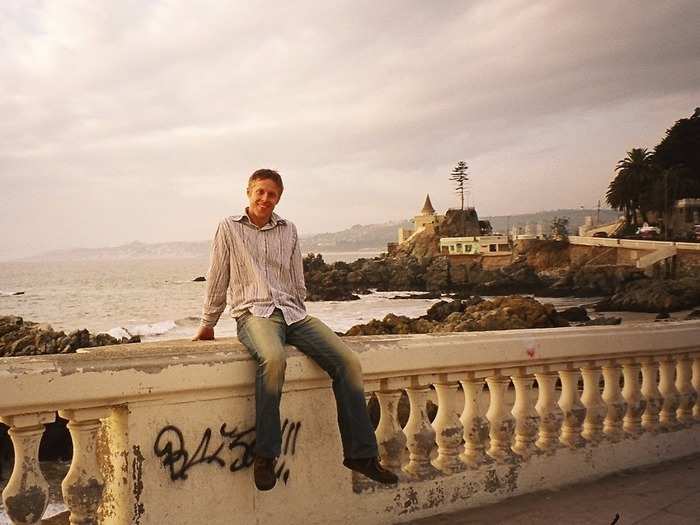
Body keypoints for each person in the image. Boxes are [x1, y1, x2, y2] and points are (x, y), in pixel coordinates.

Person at [193, 169, 398, 491]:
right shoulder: (229, 228)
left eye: (271, 194)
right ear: (248, 192)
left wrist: (299, 309)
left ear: (279, 198)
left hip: (294, 314)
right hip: (254, 314)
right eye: (259, 192)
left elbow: (296, 276)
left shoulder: (289, 229)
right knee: (274, 360)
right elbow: (217, 275)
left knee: (348, 363)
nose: (265, 199)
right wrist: (208, 323)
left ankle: (361, 455)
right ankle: (266, 455)